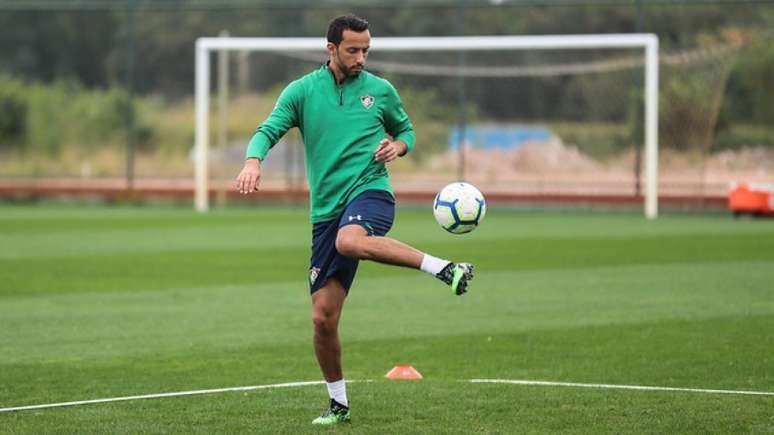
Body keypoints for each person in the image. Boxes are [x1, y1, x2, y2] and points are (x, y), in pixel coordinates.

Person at [235, 14, 474, 426]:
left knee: (350, 240)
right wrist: (253, 161)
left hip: (372, 192)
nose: (362, 57)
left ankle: (446, 268)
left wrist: (396, 147)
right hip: (326, 211)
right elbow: (267, 129)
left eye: (366, 49)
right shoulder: (302, 92)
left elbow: (407, 132)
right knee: (322, 319)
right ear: (331, 49)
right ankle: (339, 405)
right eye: (353, 50)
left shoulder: (380, 90)